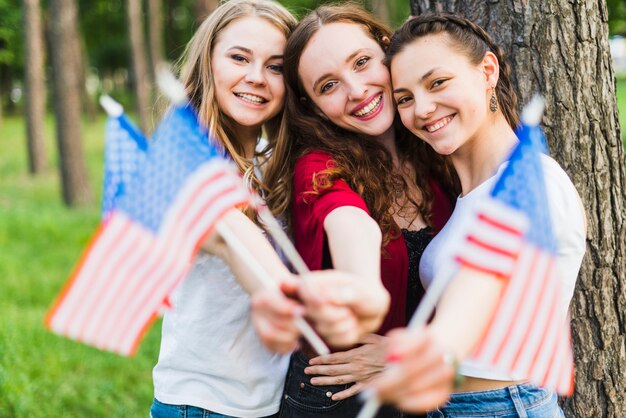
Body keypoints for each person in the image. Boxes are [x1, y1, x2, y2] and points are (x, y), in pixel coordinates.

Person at [368, 13, 586, 416]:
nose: (423, 108)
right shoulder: (466, 196)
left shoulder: (529, 188)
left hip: (502, 406)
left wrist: (428, 352)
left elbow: (479, 296)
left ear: (487, 71)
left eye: (437, 83)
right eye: (405, 98)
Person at [258, 5, 458, 417]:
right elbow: (350, 222)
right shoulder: (317, 167)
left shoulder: (435, 149)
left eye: (363, 62)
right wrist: (363, 289)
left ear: (388, 50)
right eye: (328, 85)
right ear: (311, 105)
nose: (356, 90)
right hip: (338, 397)